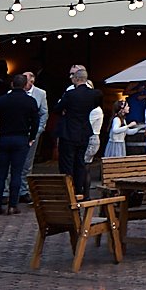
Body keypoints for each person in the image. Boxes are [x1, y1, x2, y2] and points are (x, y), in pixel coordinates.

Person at [0, 71, 41, 216]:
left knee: (1, 173)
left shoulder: (1, 100)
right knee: (17, 172)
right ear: (25, 85)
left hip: (4, 138)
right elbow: (35, 122)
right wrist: (31, 137)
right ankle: (12, 205)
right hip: (21, 138)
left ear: (12, 84)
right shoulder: (30, 101)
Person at [55, 64, 101, 196]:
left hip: (69, 132)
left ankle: (68, 191)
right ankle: (79, 190)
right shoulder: (94, 94)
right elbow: (96, 105)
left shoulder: (70, 94)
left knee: (67, 163)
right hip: (84, 132)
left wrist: (65, 110)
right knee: (80, 162)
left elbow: (57, 109)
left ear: (76, 79)